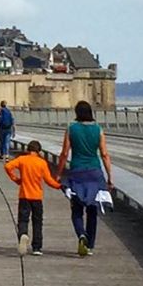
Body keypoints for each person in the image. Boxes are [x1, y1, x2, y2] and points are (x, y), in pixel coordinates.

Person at [55, 100, 115, 257]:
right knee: (92, 210)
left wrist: (59, 173)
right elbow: (104, 154)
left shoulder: (71, 129)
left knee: (76, 209)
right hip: (95, 173)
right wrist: (110, 177)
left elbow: (64, 153)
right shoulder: (98, 130)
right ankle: (89, 245)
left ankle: (81, 234)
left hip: (77, 171)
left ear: (77, 113)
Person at [4, 140, 61, 255]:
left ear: (28, 150)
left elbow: (8, 166)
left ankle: (23, 234)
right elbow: (49, 180)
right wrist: (59, 186)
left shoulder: (22, 160)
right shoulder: (42, 163)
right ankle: (37, 247)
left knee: (23, 220)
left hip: (24, 195)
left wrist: (16, 179)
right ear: (39, 151)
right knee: (37, 221)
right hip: (37, 197)